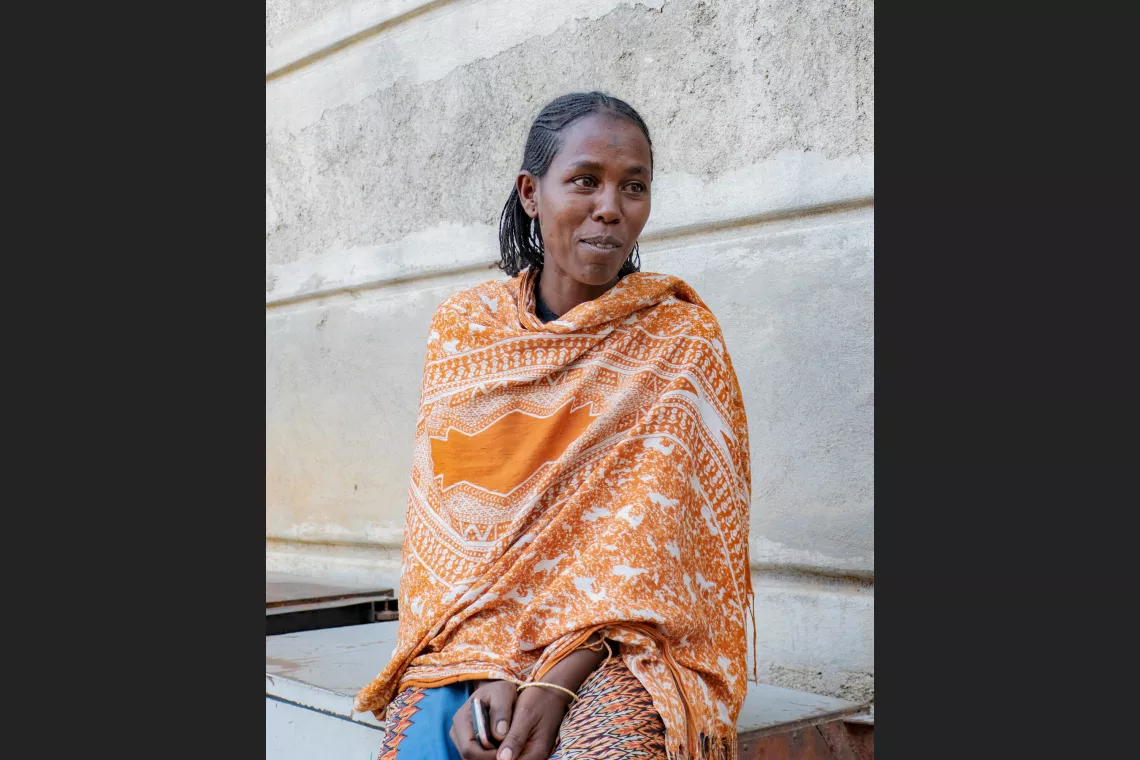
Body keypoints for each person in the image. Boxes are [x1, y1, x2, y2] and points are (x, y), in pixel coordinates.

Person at [356, 92, 753, 760]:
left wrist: (555, 680)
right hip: (471, 643)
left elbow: (658, 558)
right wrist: (492, 672)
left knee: (609, 746)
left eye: (634, 187)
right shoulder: (466, 332)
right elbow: (452, 549)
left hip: (623, 643)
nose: (610, 206)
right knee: (425, 745)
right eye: (586, 181)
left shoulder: (679, 338)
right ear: (531, 193)